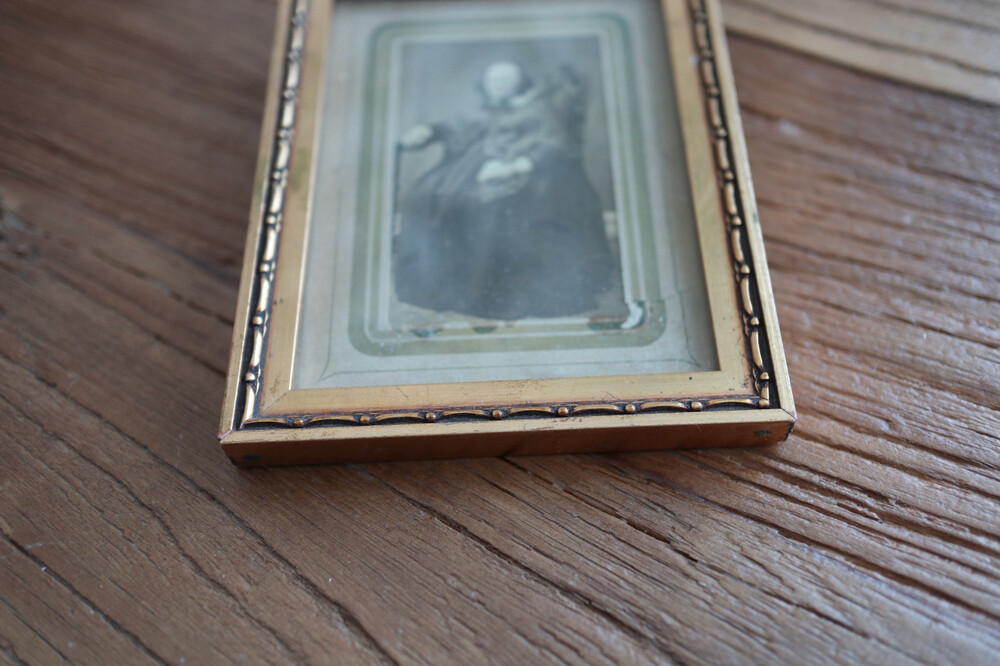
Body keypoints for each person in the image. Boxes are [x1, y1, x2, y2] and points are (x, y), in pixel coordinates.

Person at [393, 60, 617, 321]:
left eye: (504, 81)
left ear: (519, 83)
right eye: (493, 81)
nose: (497, 86)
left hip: (536, 175)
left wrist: (517, 166)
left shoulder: (539, 108)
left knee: (494, 206)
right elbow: (460, 126)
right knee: (429, 195)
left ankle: (491, 292)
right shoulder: (492, 110)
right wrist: (430, 131)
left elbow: (556, 144)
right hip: (488, 168)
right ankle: (443, 283)